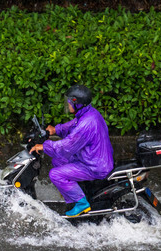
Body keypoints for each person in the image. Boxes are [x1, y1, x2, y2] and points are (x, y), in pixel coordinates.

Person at [29, 85, 114, 217]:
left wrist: (44, 146)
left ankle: (81, 203)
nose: (68, 105)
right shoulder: (89, 113)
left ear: (78, 104)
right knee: (58, 160)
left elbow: (67, 146)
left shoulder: (87, 124)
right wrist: (56, 130)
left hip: (94, 165)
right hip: (94, 157)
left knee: (56, 174)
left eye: (70, 102)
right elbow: (73, 125)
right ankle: (75, 193)